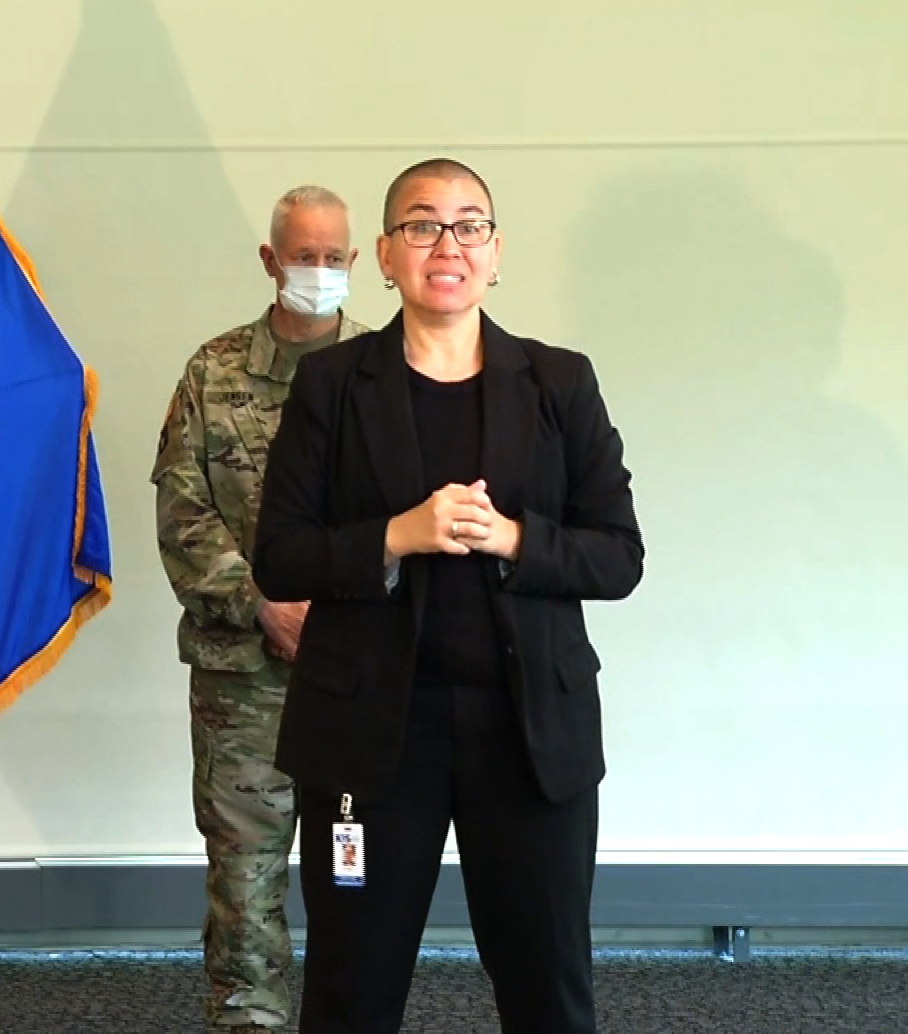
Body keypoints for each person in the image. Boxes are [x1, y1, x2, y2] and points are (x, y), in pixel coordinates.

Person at [250, 159, 644, 1033]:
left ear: (496, 253)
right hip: (372, 737)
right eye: (422, 225)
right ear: (386, 256)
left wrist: (513, 537)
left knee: (549, 984)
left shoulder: (561, 382)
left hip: (529, 730)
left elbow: (618, 557)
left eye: (469, 226)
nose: (447, 244)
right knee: (353, 986)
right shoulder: (332, 385)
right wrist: (397, 535)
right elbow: (279, 557)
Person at [153, 185, 371, 1031]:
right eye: (302, 255)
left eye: (332, 257)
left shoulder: (382, 374)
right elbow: (182, 511)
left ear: (355, 264)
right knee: (246, 882)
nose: (317, 271)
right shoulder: (214, 371)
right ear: (270, 260)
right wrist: (262, 604)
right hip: (243, 678)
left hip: (357, 676)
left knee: (357, 877)